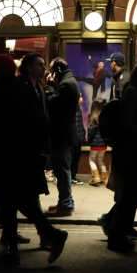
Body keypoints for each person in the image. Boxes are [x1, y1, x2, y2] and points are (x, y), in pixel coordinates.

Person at [0, 54, 68, 266]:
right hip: (23, 155)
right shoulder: (23, 88)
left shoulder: (5, 92)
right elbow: (40, 121)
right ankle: (17, 248)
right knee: (14, 202)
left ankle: (45, 236)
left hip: (8, 156)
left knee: (13, 201)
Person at [104, 61, 137, 251]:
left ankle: (117, 227)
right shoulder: (132, 92)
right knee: (133, 191)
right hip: (130, 152)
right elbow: (126, 123)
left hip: (135, 151)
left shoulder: (135, 91)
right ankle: (116, 234)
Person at [46, 56, 81, 216]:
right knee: (63, 169)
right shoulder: (69, 80)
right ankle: (65, 202)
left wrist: (50, 86)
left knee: (62, 170)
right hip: (64, 133)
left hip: (62, 133)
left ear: (58, 70)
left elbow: (52, 104)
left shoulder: (66, 84)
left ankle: (66, 204)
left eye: (51, 69)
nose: (49, 72)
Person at [87, 98, 109, 185]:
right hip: (103, 144)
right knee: (100, 160)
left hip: (95, 145)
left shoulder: (93, 118)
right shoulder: (106, 118)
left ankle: (95, 177)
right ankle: (105, 178)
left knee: (91, 160)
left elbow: (91, 132)